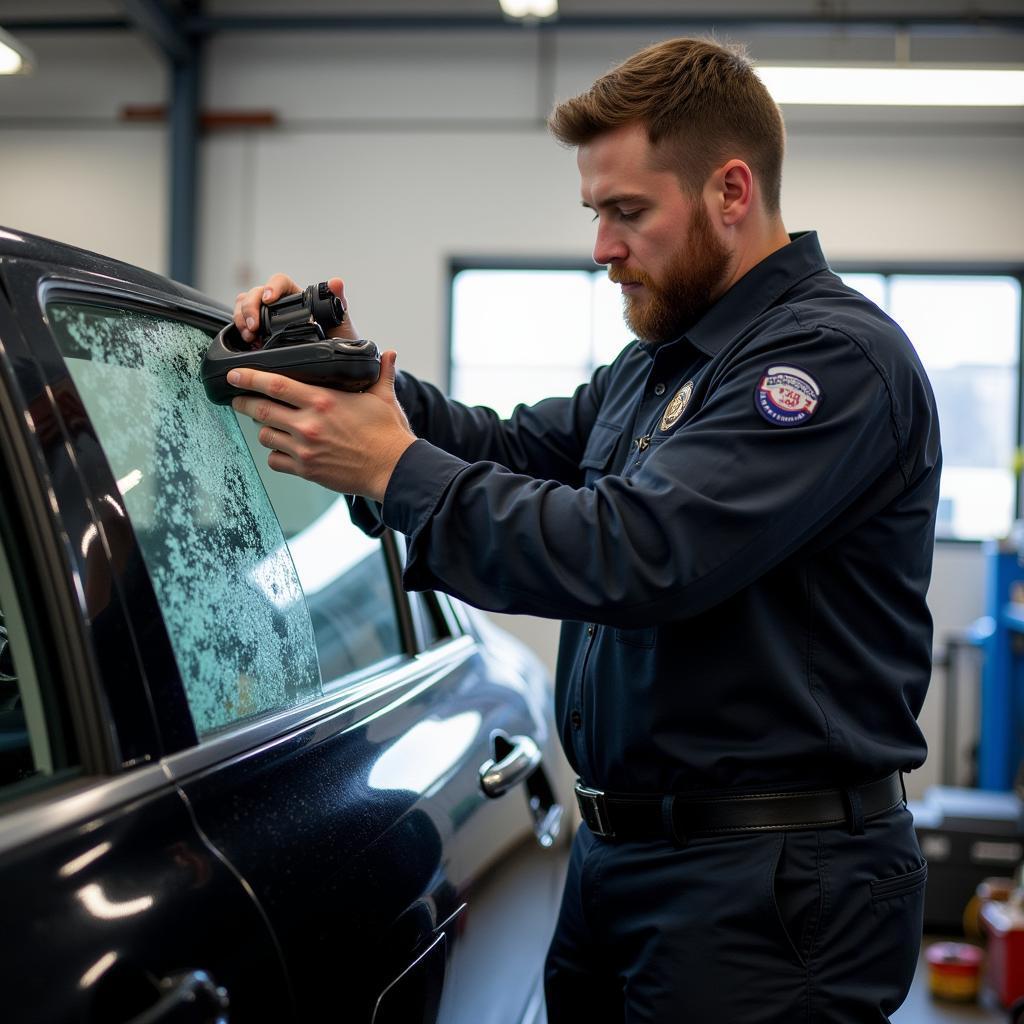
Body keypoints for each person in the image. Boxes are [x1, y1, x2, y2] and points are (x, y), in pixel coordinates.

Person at [230, 36, 940, 1023]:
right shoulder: (661, 364)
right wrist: (350, 373)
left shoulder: (828, 361)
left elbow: (637, 548)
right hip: (626, 862)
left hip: (767, 891)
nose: (602, 245)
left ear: (731, 191)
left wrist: (390, 466)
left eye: (627, 211)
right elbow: (510, 450)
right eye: (595, 212)